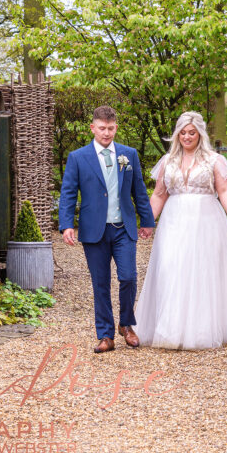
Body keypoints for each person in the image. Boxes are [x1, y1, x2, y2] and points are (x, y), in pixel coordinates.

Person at [134, 111, 227, 349]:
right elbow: (159, 194)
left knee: (201, 269)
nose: (187, 137)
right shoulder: (167, 162)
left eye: (192, 133)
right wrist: (148, 222)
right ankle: (170, 329)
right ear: (177, 134)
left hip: (206, 220)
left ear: (200, 134)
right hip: (173, 221)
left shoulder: (214, 160)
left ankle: (200, 330)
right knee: (171, 267)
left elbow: (225, 190)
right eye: (183, 133)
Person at [58, 105, 155, 353]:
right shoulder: (78, 158)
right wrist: (67, 225)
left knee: (128, 277)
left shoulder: (128, 155)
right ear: (93, 128)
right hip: (94, 230)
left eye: (111, 128)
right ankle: (105, 335)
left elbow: (139, 190)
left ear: (116, 127)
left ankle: (126, 324)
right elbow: (68, 193)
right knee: (100, 283)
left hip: (123, 228)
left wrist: (147, 221)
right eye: (102, 128)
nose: (107, 133)